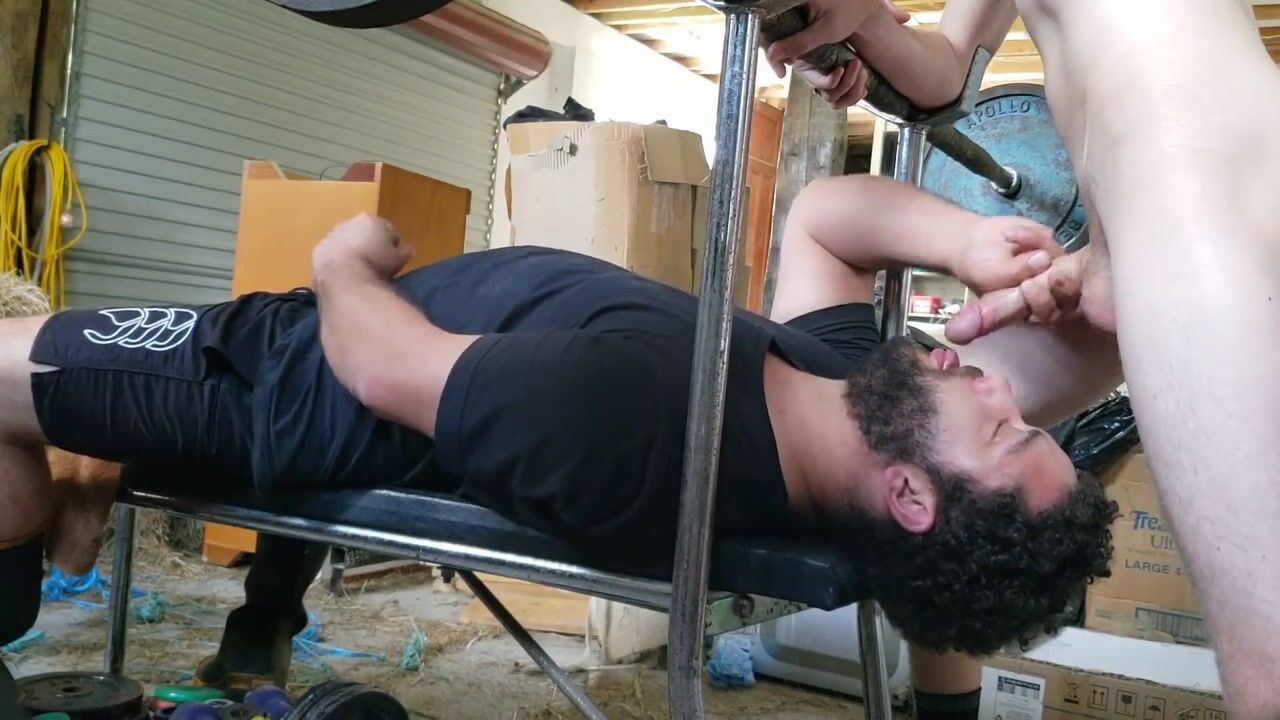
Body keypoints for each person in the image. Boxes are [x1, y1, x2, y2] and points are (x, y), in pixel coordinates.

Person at [0, 173, 1119, 715]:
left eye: (1003, 428)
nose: (996, 385)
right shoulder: (839, 387)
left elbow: (382, 366)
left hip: (271, 373)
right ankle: (66, 490)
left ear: (911, 497)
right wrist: (969, 238)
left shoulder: (643, 429)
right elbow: (827, 213)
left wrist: (343, 258)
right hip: (326, 348)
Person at [763, 2, 1280, 715]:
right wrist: (864, 30)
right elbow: (948, 77)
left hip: (1191, 196)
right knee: (954, 493)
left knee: (1270, 676)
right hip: (1150, 211)